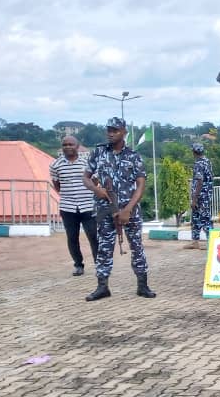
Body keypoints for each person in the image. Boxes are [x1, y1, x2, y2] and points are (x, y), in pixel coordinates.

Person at [82, 117, 156, 300]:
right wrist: (96, 189)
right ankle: (102, 287)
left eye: (115, 130)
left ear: (124, 132)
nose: (110, 133)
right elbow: (86, 176)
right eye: (108, 130)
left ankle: (142, 285)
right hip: (105, 208)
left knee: (137, 246)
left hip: (129, 210)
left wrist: (128, 209)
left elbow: (140, 185)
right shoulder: (98, 152)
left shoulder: (133, 156)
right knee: (104, 248)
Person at [50, 135, 98, 276]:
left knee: (93, 236)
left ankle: (99, 264)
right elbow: (57, 186)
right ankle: (78, 265)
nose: (68, 147)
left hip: (88, 206)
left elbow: (95, 183)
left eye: (71, 144)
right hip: (68, 208)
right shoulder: (55, 165)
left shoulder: (87, 163)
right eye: (65, 145)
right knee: (72, 238)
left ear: (77, 146)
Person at [185, 143, 213, 250]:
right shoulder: (207, 161)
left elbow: (200, 181)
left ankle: (211, 242)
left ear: (194, 152)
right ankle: (195, 241)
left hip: (201, 196)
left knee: (205, 218)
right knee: (196, 218)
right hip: (205, 194)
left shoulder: (198, 164)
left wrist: (195, 198)